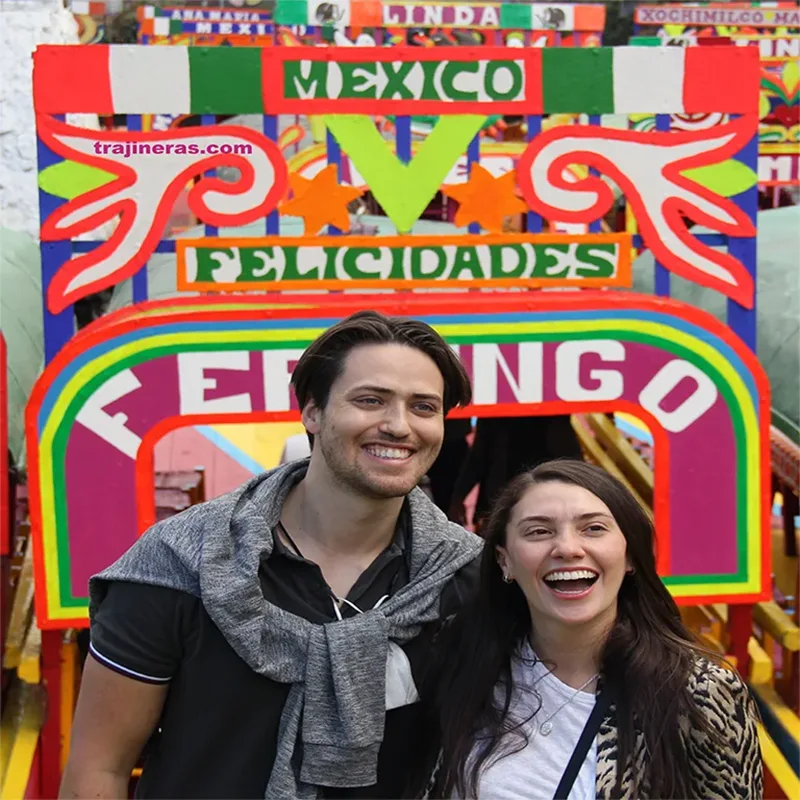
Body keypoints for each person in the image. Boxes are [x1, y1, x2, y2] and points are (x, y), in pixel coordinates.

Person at [60, 310, 483, 800]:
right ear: (312, 412)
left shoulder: (465, 578)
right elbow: (99, 770)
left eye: (424, 407)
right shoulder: (180, 563)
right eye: (370, 400)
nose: (398, 425)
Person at [420, 461, 762, 799]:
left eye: (593, 528)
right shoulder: (463, 658)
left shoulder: (696, 694)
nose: (568, 549)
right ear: (504, 560)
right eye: (538, 531)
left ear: (630, 555)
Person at [448, 415, 583, 531]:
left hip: (538, 498)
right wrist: (458, 497)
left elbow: (478, 456)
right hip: (504, 500)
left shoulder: (554, 417)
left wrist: (458, 497)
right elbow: (478, 456)